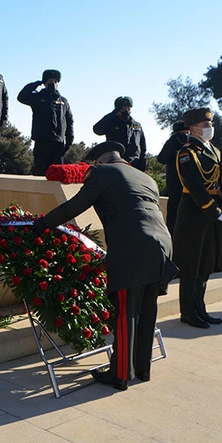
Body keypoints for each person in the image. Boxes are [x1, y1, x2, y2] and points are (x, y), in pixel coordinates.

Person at [33, 141, 173, 391]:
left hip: (132, 246)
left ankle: (119, 374)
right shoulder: (145, 177)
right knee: (146, 309)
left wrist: (42, 224)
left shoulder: (102, 173)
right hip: (162, 244)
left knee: (125, 311)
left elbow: (74, 207)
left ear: (99, 161)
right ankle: (142, 369)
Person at [173, 108, 222, 329]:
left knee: (206, 264)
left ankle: (200, 308)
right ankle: (188, 312)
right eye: (205, 125)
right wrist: (217, 213)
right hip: (194, 213)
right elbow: (196, 188)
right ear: (193, 129)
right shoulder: (186, 153)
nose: (210, 128)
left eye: (211, 125)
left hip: (213, 213)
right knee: (192, 265)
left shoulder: (216, 151)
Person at [17, 69, 74, 176]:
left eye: (55, 81)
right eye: (50, 80)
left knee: (57, 176)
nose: (53, 83)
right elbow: (21, 97)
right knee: (40, 173)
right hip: (42, 142)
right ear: (45, 82)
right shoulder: (37, 97)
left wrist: (69, 140)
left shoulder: (63, 101)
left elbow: (69, 120)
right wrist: (38, 83)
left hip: (58, 143)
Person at [93, 96, 147, 171]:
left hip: (134, 164)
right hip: (116, 163)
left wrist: (142, 165)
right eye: (123, 108)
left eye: (128, 108)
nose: (126, 110)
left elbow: (142, 146)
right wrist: (112, 115)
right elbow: (97, 130)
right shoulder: (111, 123)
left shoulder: (137, 126)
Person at [156, 121, 189, 234]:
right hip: (175, 184)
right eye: (182, 132)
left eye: (187, 132)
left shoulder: (191, 143)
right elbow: (161, 158)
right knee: (174, 215)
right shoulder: (172, 143)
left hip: (189, 184)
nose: (185, 135)